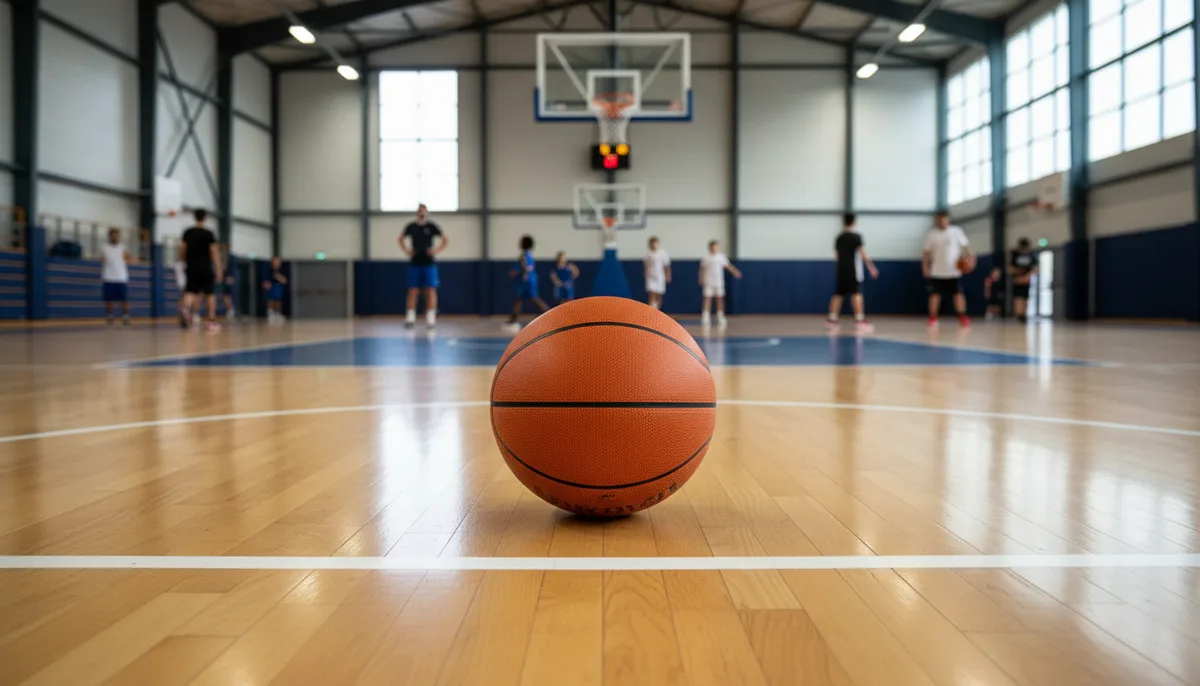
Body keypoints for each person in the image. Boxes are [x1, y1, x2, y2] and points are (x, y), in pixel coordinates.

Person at [826, 213, 878, 334]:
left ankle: (832, 319)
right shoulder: (856, 237)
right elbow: (863, 254)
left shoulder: (839, 237)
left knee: (839, 293)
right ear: (854, 222)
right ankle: (859, 320)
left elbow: (837, 256)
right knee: (856, 293)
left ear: (844, 222)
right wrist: (871, 268)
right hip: (853, 270)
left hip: (841, 270)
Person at [400, 204, 447, 329]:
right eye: (420, 211)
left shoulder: (431, 226)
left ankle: (431, 318)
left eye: (423, 211)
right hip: (415, 263)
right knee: (413, 290)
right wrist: (406, 250)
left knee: (430, 290)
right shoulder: (411, 227)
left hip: (429, 263)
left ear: (426, 213)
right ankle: (410, 318)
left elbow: (445, 239)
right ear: (417, 213)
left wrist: (436, 250)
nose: (422, 213)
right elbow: (400, 238)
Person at [922, 210, 972, 329]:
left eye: (944, 219)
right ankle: (933, 317)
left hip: (954, 271)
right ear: (936, 220)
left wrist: (971, 259)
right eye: (939, 219)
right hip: (937, 271)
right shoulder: (931, 234)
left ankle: (962, 316)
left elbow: (966, 247)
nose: (942, 221)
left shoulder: (956, 231)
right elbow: (926, 253)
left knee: (958, 294)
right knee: (935, 295)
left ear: (948, 219)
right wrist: (925, 266)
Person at [179, 209, 222, 332]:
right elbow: (214, 252)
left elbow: (182, 249)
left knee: (190, 291)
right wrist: (218, 269)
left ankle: (185, 308)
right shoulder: (209, 234)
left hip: (191, 266)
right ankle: (211, 321)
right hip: (205, 267)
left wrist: (183, 262)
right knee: (209, 293)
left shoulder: (188, 232)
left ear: (195, 217)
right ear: (205, 218)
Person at [508, 235, 549, 327]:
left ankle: (549, 314)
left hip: (526, 280)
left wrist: (514, 272)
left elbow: (524, 267)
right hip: (531, 278)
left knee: (533, 298)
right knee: (519, 299)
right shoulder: (529, 253)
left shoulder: (524, 255)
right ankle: (514, 318)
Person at [699, 239, 741, 328]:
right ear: (710, 248)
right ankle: (705, 316)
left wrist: (735, 272)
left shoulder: (721, 257)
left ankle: (720, 315)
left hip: (718, 282)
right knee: (707, 298)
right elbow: (702, 269)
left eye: (716, 247)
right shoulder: (706, 258)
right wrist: (701, 279)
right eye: (712, 247)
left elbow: (728, 266)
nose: (714, 249)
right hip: (708, 281)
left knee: (720, 298)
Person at [100, 228, 132, 326]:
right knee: (109, 299)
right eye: (112, 235)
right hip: (108, 276)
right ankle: (110, 316)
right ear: (109, 236)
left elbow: (129, 258)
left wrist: (126, 259)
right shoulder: (104, 247)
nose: (114, 237)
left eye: (116, 235)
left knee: (124, 299)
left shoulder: (122, 247)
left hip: (121, 277)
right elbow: (102, 259)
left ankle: (125, 316)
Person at [1010, 237, 1038, 323]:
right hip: (1017, 280)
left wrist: (1027, 276)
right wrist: (1017, 275)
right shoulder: (1015, 255)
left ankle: (1024, 315)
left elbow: (1035, 268)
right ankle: (1018, 314)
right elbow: (1010, 267)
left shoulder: (1031, 255)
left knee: (1025, 298)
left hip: (1026, 280)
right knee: (1018, 298)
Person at [644, 236, 671, 310]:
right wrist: (645, 274)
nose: (653, 245)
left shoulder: (662, 253)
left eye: (655, 243)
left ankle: (658, 310)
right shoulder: (647, 254)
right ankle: (651, 309)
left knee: (659, 295)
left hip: (659, 277)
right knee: (651, 293)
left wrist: (668, 275)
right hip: (650, 277)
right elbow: (645, 266)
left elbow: (667, 266)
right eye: (652, 244)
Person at [215, 244, 236, 322]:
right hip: (221, 277)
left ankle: (230, 310)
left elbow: (231, 269)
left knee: (227, 296)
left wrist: (231, 277)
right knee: (224, 296)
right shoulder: (218, 257)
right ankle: (229, 310)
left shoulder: (230, 259)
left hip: (227, 278)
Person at [263, 257, 287, 324]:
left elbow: (284, 280)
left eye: (278, 261)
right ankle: (271, 314)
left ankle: (277, 314)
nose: (277, 262)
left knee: (278, 300)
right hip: (271, 286)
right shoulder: (269, 270)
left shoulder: (281, 270)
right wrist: (266, 284)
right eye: (275, 261)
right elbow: (265, 280)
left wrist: (280, 278)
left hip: (278, 286)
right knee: (270, 299)